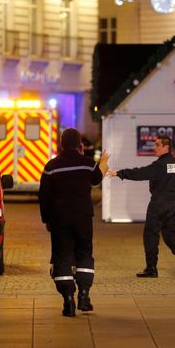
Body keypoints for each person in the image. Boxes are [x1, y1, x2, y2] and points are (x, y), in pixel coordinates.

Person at [39, 128, 109, 317]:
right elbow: (96, 179)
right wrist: (103, 164)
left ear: (61, 143)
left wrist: (47, 219)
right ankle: (84, 296)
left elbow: (44, 196)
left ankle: (68, 300)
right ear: (80, 144)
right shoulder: (87, 163)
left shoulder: (51, 166)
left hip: (59, 219)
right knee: (84, 254)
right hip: (83, 218)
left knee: (62, 256)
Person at [108, 136, 175, 278]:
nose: (154, 147)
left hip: (158, 204)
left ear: (166, 147)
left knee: (150, 234)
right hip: (172, 205)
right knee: (169, 235)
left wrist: (119, 173)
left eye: (157, 145)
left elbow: (140, 173)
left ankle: (151, 268)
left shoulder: (159, 165)